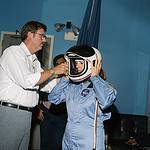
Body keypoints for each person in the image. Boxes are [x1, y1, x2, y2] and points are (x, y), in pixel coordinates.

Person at [0, 21, 67, 150]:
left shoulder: (34, 61)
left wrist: (67, 79)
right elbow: (26, 81)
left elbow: (48, 85)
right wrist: (53, 70)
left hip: (27, 114)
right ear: (30, 35)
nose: (44, 40)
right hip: (11, 113)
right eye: (42, 36)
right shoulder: (13, 52)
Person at [48, 45, 117, 150]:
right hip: (68, 136)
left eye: (81, 63)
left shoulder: (106, 88)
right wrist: (65, 79)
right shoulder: (73, 87)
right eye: (76, 63)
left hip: (89, 139)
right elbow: (53, 98)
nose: (78, 66)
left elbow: (106, 101)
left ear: (92, 64)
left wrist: (95, 78)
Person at [37, 54, 67, 150]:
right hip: (47, 113)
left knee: (57, 144)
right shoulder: (50, 77)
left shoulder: (72, 79)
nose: (60, 65)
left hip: (62, 116)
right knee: (45, 142)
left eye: (62, 63)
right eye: (57, 64)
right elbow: (38, 91)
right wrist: (39, 108)